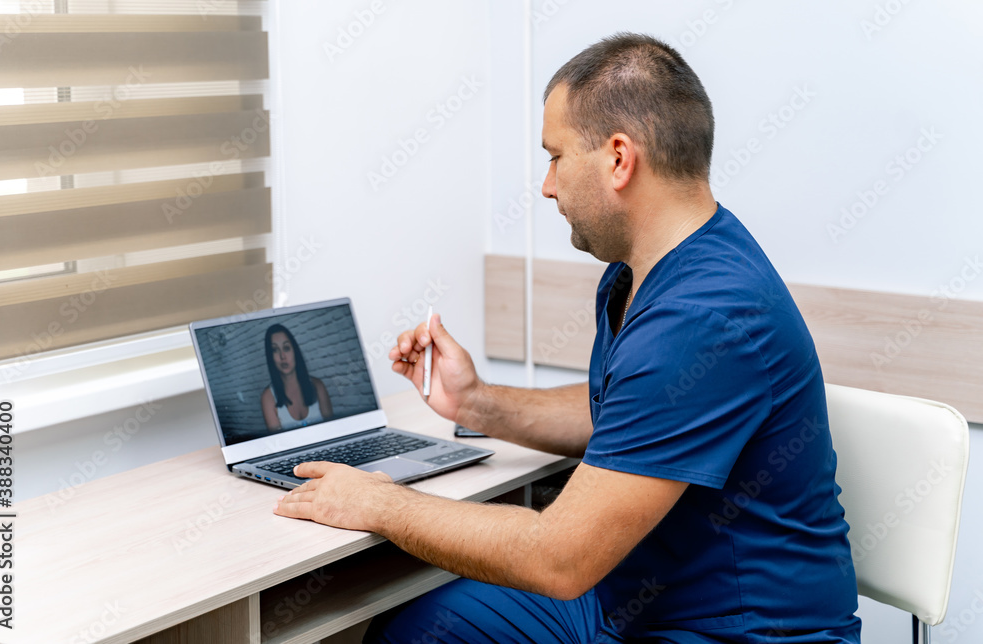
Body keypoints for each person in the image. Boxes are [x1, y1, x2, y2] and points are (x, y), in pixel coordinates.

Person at [274, 32, 861, 643]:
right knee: (419, 627)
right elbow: (624, 412)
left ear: (618, 158)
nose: (548, 185)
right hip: (625, 600)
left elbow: (560, 559)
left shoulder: (705, 318)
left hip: (732, 631)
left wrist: (381, 504)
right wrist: (475, 401)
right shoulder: (644, 269)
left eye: (555, 157)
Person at [260, 323, 333, 431]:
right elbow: (279, 443)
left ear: (295, 351)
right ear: (270, 356)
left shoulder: (318, 386)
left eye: (286, 348)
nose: (282, 356)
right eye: (275, 350)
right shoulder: (268, 397)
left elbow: (333, 430)